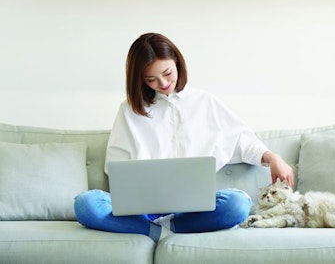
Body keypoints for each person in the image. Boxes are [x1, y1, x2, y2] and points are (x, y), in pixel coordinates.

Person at [74, 33, 294, 242]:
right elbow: (115, 167)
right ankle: (158, 231)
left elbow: (242, 141)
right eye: (151, 79)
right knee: (85, 204)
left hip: (193, 210)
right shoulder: (129, 110)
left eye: (167, 73)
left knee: (237, 204)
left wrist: (273, 157)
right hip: (142, 212)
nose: (162, 83)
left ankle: (166, 229)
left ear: (177, 63)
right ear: (139, 79)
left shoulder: (204, 102)